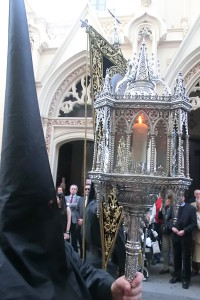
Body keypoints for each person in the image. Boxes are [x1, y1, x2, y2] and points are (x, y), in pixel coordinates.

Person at [170, 192, 197, 289]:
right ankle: (176, 275)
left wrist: (184, 231)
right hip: (175, 236)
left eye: (179, 196)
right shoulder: (173, 207)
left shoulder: (191, 209)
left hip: (186, 237)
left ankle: (186, 279)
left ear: (183, 198)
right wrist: (172, 227)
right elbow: (168, 220)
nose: (177, 198)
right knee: (176, 257)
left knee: (186, 258)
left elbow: (194, 224)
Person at [157, 194, 174, 274]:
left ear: (170, 200)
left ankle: (175, 268)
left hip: (172, 232)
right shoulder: (165, 208)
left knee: (173, 250)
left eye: (167, 200)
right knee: (165, 249)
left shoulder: (174, 208)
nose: (166, 202)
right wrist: (161, 208)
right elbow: (159, 217)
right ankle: (166, 267)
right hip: (165, 232)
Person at [76, 183, 91, 258]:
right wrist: (79, 219)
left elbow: (91, 213)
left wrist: (84, 220)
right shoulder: (80, 199)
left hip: (87, 225)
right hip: (79, 225)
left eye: (88, 189)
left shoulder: (93, 201)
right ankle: (81, 256)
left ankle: (85, 258)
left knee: (86, 244)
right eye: (86, 189)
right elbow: (77, 210)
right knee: (80, 241)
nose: (87, 190)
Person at [65, 184, 80, 252]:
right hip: (67, 219)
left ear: (76, 190)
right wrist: (70, 205)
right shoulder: (66, 197)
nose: (73, 190)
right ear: (70, 190)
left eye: (74, 189)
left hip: (74, 219)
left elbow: (76, 205)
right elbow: (64, 204)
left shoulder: (79, 198)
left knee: (74, 237)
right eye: (72, 189)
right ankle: (67, 251)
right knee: (66, 236)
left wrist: (68, 204)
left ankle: (75, 252)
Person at [149, 194, 163, 265]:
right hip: (153, 223)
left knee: (157, 241)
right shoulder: (152, 196)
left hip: (159, 223)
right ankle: (152, 257)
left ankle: (157, 257)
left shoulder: (162, 198)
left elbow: (153, 213)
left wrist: (149, 220)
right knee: (152, 241)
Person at [191, 198, 200, 275]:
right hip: (196, 237)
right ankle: (195, 269)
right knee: (195, 255)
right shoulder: (195, 213)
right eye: (198, 204)